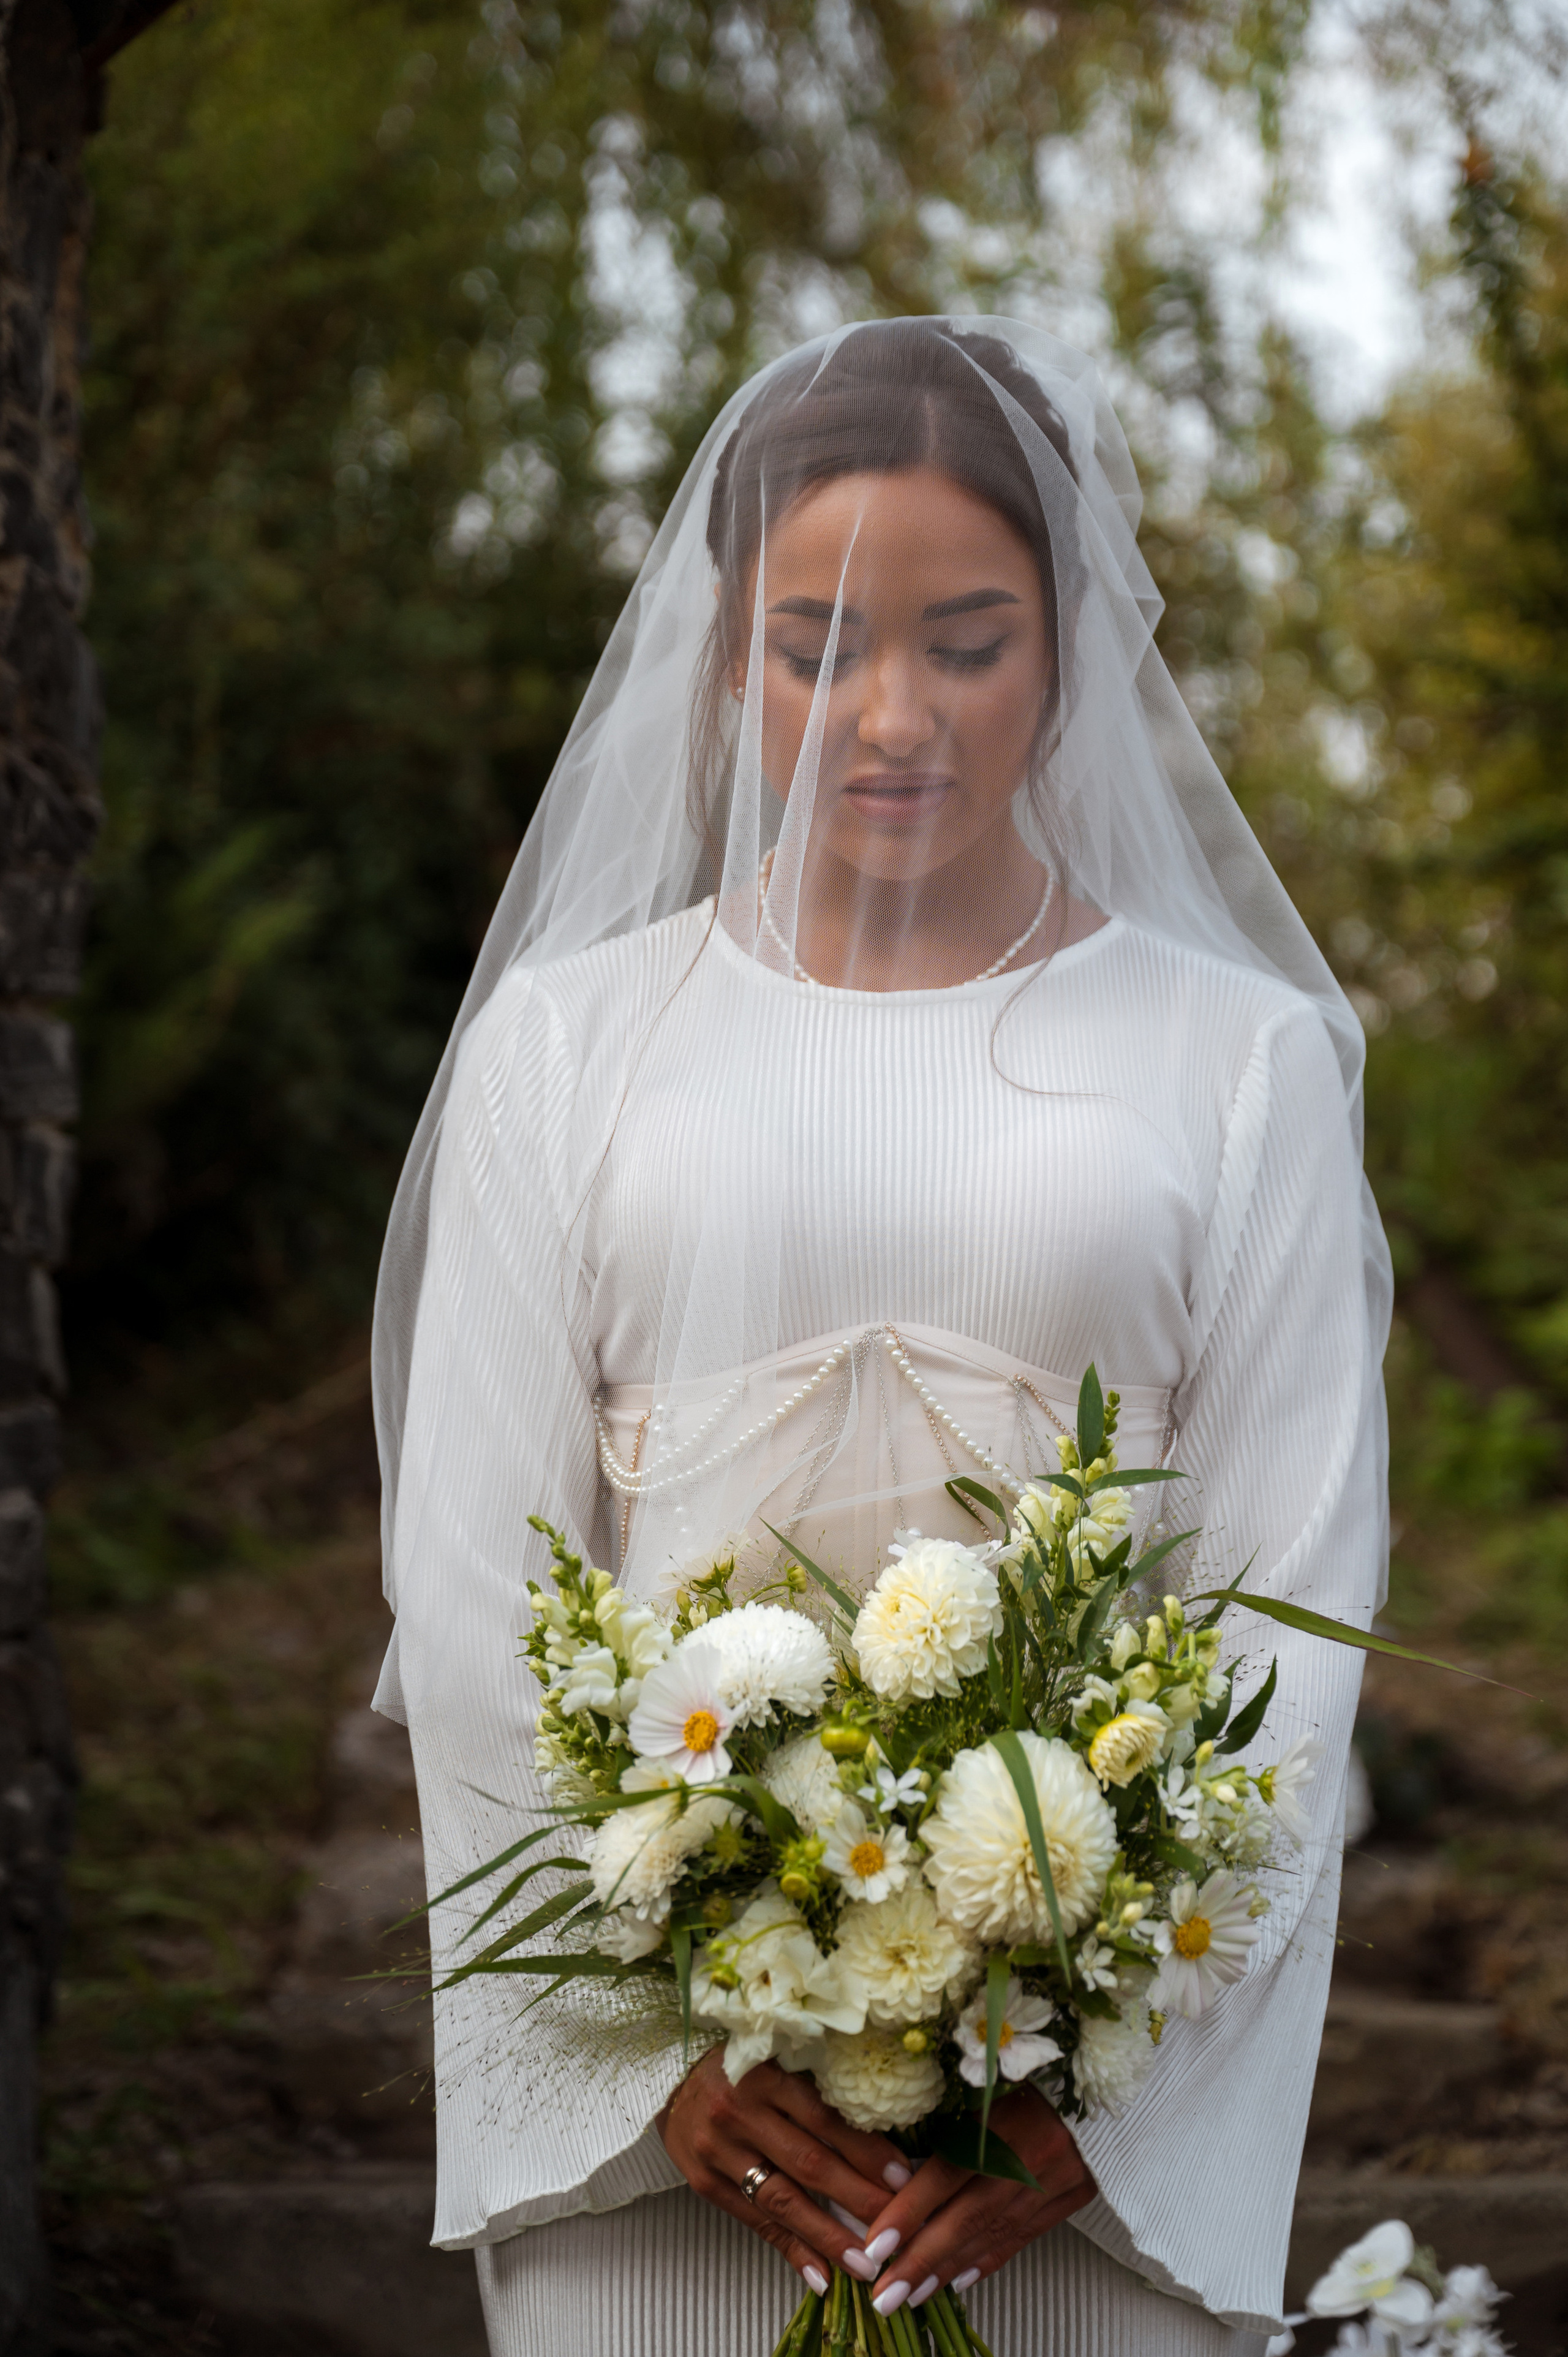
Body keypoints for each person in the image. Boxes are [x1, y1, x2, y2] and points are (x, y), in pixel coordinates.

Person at [371, 319, 1390, 2356]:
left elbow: (1293, 1595)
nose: (887, 713)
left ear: (1073, 650)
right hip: (675, 2120)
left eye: (968, 639)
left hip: (1073, 2126)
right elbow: (470, 1579)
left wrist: (1117, 2077)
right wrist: (646, 2053)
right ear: (723, 659)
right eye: (815, 643)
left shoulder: (1248, 1061)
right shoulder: (564, 1053)